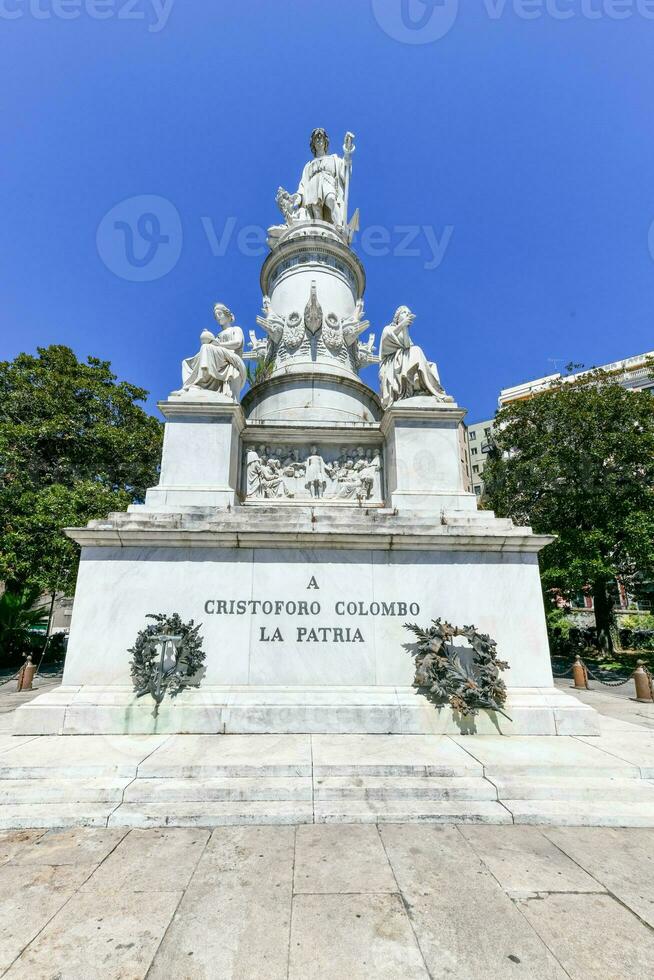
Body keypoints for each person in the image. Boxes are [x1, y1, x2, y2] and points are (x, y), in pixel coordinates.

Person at [379, 306, 445, 410]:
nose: (407, 314)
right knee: (416, 350)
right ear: (397, 317)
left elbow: (407, 346)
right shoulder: (388, 328)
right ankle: (416, 381)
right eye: (404, 312)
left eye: (408, 313)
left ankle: (429, 389)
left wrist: (405, 328)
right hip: (391, 361)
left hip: (403, 357)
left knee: (429, 364)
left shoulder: (404, 331)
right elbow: (386, 340)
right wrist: (402, 325)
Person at [178, 304, 246, 400]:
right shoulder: (218, 335)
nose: (217, 317)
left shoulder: (235, 329)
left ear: (227, 315)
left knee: (206, 347)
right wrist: (209, 338)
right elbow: (213, 347)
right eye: (215, 316)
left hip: (231, 356)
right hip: (218, 356)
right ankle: (189, 386)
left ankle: (202, 379)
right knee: (186, 362)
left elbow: (238, 343)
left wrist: (218, 344)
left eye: (220, 314)